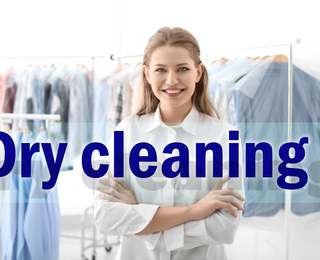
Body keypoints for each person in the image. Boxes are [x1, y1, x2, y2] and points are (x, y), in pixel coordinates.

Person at [93, 26, 245, 260]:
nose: (171, 80)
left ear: (198, 72)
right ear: (147, 74)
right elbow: (105, 216)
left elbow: (224, 228)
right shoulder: (127, 131)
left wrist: (138, 215)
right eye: (160, 70)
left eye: (182, 68)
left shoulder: (224, 137)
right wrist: (193, 212)